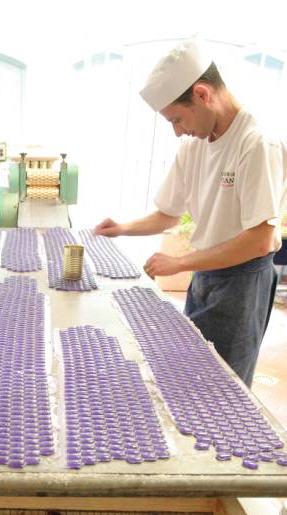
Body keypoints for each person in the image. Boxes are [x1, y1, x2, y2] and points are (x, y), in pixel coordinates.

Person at [94, 38, 286, 387]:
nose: (177, 131)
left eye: (177, 119)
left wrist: (180, 264)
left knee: (224, 386)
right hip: (206, 275)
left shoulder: (256, 143)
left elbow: (260, 240)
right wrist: (121, 228)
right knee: (193, 373)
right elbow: (167, 214)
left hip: (243, 283)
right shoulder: (194, 145)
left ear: (202, 94)